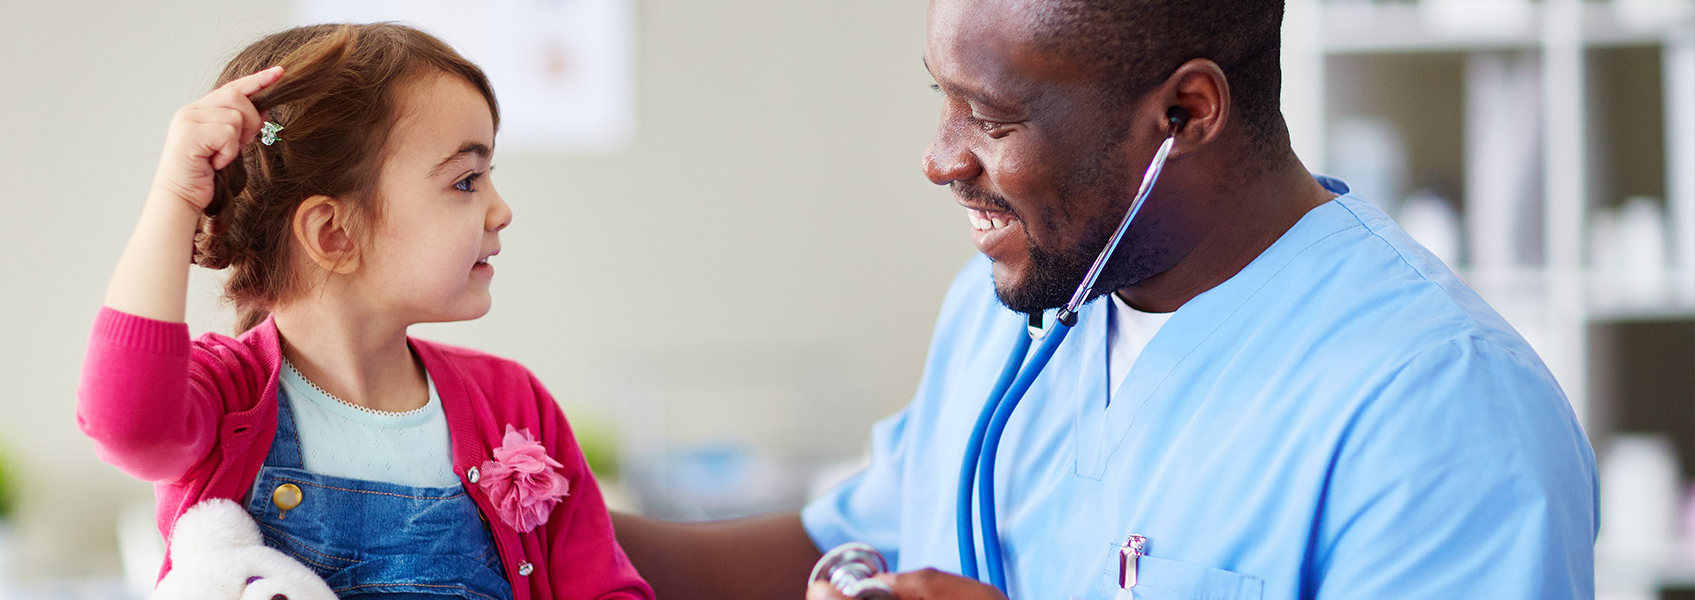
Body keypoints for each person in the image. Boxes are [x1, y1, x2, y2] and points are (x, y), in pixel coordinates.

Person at [611, 0, 1598, 599]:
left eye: (991, 117)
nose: (940, 158)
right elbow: (834, 552)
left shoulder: (1442, 414)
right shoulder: (1012, 308)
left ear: (1185, 113)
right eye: (941, 97)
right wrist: (505, 498)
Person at [77, 23, 651, 600]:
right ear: (333, 233)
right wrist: (176, 197)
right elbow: (127, 424)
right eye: (466, 181)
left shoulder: (512, 403)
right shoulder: (227, 396)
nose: (501, 211)